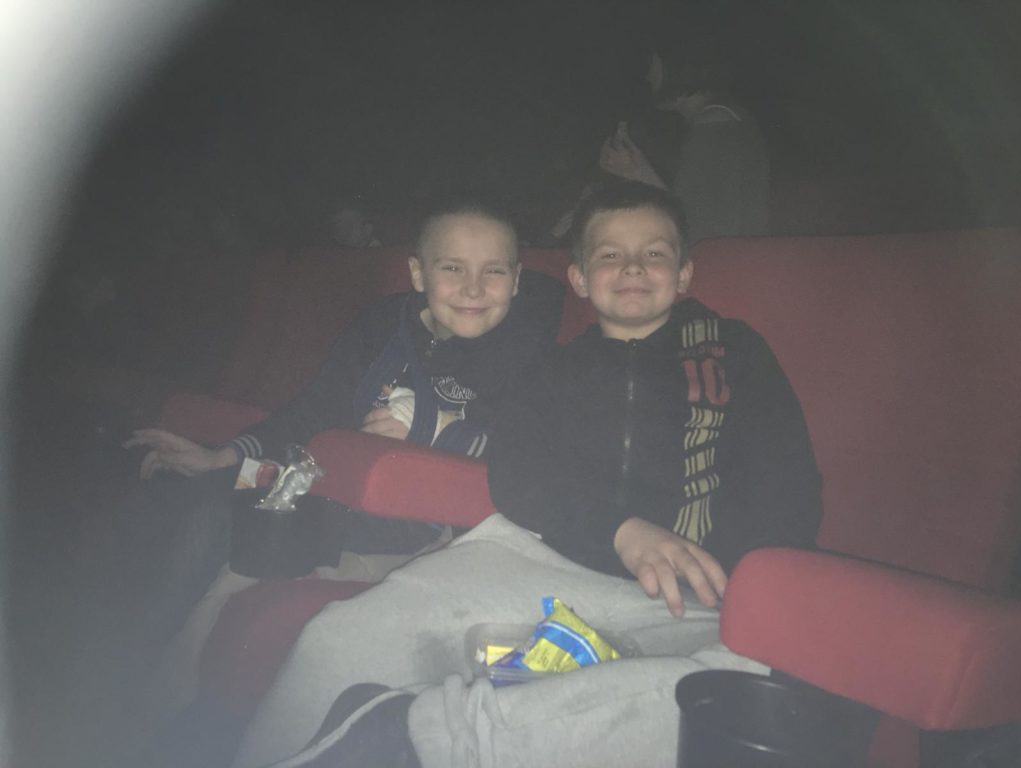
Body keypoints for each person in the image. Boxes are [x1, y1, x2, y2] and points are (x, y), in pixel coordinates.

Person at [228, 181, 822, 768]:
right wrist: (620, 530)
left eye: (654, 253)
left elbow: (788, 485)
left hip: (694, 594)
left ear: (685, 273)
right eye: (610, 254)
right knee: (338, 640)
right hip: (545, 562)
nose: (633, 267)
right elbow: (518, 469)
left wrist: (741, 579)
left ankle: (411, 734)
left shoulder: (732, 351)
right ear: (580, 279)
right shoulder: (557, 369)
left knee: (723, 697)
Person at [108, 199, 565, 682]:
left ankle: (146, 682)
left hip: (410, 525)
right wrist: (222, 456)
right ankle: (128, 672)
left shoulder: (528, 351)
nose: (473, 287)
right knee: (177, 498)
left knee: (212, 525)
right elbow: (315, 408)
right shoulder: (381, 325)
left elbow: (526, 454)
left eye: (493, 271)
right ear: (418, 273)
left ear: (516, 279)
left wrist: (432, 429)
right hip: (323, 492)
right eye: (452, 268)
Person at [599, 30, 770, 244]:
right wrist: (638, 171)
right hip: (728, 257)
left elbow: (701, 230)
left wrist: (640, 173)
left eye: (653, 65)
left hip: (726, 261)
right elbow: (697, 213)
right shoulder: (720, 121)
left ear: (678, 68)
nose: (648, 76)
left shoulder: (714, 129)